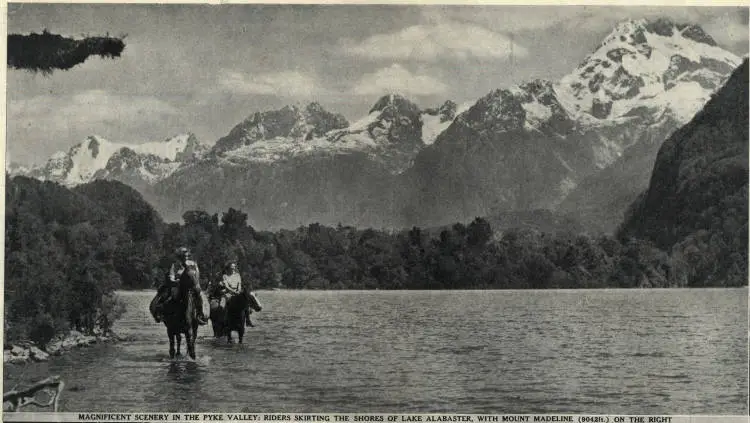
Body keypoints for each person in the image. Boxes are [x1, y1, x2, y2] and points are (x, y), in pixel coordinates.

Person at [150, 247, 208, 325]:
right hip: (179, 285)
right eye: (184, 256)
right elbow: (171, 276)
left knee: (199, 297)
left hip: (191, 286)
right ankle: (163, 313)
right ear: (180, 257)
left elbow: (197, 274)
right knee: (171, 296)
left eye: (187, 256)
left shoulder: (193, 264)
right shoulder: (175, 265)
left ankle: (199, 315)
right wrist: (175, 280)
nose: (186, 257)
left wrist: (196, 284)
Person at [220, 261, 254, 327]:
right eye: (232, 267)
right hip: (228, 293)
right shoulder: (225, 276)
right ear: (228, 268)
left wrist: (238, 290)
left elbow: (239, 284)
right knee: (222, 306)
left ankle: (248, 320)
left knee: (245, 302)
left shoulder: (237, 275)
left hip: (237, 291)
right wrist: (233, 292)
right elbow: (226, 286)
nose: (233, 268)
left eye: (234, 267)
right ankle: (223, 320)